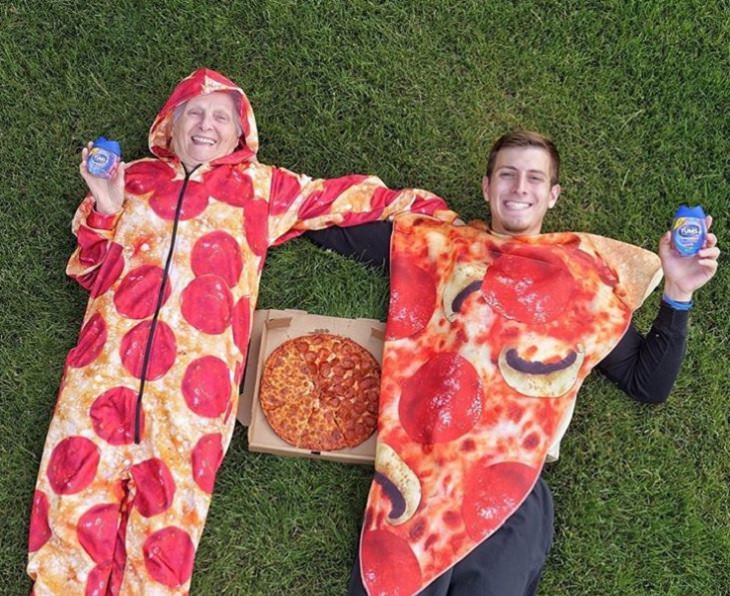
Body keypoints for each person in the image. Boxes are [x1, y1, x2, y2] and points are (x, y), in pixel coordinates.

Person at [25, 68, 457, 595]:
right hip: (99, 377)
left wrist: (433, 213)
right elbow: (88, 273)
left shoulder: (263, 189)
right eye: (195, 112)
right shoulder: (131, 178)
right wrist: (106, 205)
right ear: (172, 121)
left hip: (193, 398)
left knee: (164, 545)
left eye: (221, 117)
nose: (207, 125)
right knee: (66, 529)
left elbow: (344, 199)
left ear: (239, 132)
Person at [304, 130, 719, 596]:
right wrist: (248, 199)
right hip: (417, 477)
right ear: (487, 187)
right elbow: (335, 225)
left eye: (535, 178)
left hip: (509, 488)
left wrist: (679, 294)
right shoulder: (440, 245)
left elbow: (648, 384)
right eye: (508, 174)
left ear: (552, 195)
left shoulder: (581, 283)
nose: (520, 187)